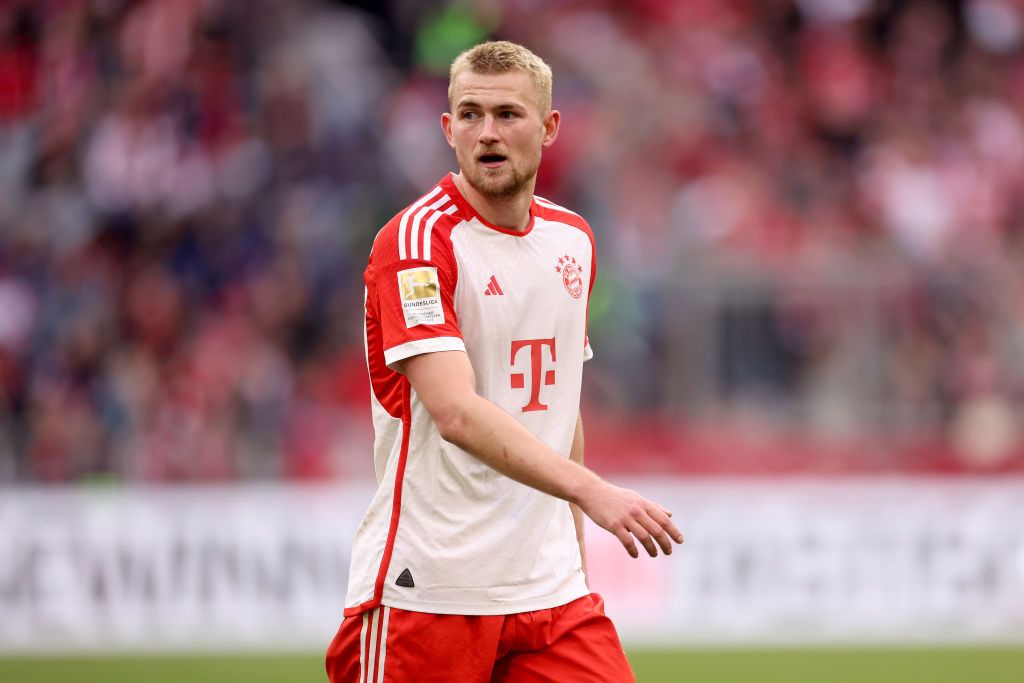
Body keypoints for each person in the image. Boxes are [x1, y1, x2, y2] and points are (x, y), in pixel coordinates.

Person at [326, 40, 683, 683]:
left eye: (508, 115)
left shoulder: (572, 238)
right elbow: (456, 412)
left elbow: (560, 407)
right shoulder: (416, 242)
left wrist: (572, 554)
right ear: (447, 129)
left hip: (548, 595)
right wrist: (593, 492)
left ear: (548, 129)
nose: (487, 133)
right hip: (431, 590)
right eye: (470, 114)